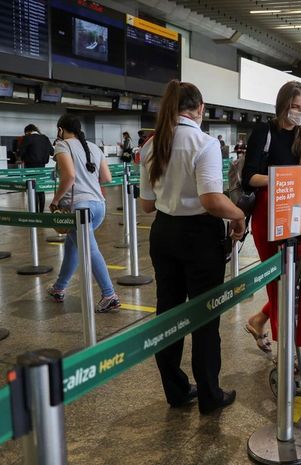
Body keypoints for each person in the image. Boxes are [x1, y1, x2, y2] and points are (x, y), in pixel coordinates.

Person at [139, 80, 246, 414]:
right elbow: (212, 200)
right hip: (200, 237)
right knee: (205, 317)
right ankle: (210, 396)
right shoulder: (205, 143)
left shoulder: (151, 145)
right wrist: (239, 214)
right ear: (200, 109)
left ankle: (176, 390)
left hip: (163, 233)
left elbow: (147, 205)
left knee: (168, 313)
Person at [242, 81, 301, 354]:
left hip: (297, 210)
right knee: (279, 279)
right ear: (283, 106)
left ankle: (259, 320)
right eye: (295, 106)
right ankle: (285, 350)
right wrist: (283, 180)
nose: (300, 112)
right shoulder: (264, 132)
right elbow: (248, 177)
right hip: (271, 212)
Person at [47, 114, 121, 313]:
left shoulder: (62, 146)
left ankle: (109, 295)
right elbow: (107, 178)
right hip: (99, 205)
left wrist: (55, 200)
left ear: (60, 129)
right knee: (73, 245)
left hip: (79, 208)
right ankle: (59, 288)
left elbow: (69, 176)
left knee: (89, 249)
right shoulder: (94, 147)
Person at [18, 124, 54, 212]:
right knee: (41, 190)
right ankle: (41, 212)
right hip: (42, 168)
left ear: (28, 132)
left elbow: (20, 152)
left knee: (32, 190)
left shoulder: (27, 138)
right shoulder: (45, 138)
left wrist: (22, 157)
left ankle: (34, 212)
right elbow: (52, 152)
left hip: (30, 168)